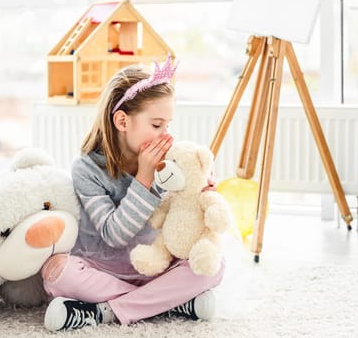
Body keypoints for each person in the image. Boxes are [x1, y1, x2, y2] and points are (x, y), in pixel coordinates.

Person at [41, 55, 225, 331]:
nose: (166, 135)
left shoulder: (171, 164)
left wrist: (198, 193)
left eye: (167, 125)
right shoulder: (86, 169)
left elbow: (181, 217)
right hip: (103, 268)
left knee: (215, 264)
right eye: (156, 125)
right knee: (55, 273)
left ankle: (107, 311)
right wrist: (144, 178)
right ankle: (169, 303)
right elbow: (114, 235)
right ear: (122, 121)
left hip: (157, 266)